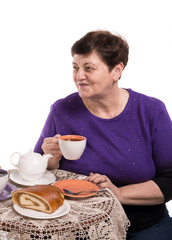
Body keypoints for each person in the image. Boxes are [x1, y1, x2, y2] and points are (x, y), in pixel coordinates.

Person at [34, 30, 172, 239]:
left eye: (89, 68)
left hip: (144, 227)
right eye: (75, 67)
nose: (79, 76)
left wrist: (119, 193)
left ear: (116, 71)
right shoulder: (61, 110)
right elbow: (36, 173)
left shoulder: (151, 110)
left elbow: (170, 179)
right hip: (77, 228)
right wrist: (50, 159)